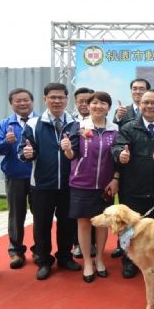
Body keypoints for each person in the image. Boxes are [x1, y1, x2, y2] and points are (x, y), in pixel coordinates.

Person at [18, 83, 82, 280]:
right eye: (52, 97)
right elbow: (23, 150)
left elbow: (79, 152)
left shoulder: (76, 124)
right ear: (45, 99)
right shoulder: (34, 124)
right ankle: (44, 260)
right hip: (42, 185)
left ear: (66, 99)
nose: (57, 101)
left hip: (69, 184)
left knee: (67, 223)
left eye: (61, 97)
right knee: (42, 225)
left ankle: (64, 256)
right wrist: (27, 153)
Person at [112, 89, 154, 278]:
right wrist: (120, 155)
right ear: (140, 105)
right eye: (146, 102)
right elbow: (117, 146)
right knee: (129, 229)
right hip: (132, 188)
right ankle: (130, 262)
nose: (149, 106)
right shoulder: (129, 127)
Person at [62, 91, 118, 283]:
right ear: (88, 106)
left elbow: (118, 158)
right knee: (84, 223)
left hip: (105, 185)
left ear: (108, 108)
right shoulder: (78, 127)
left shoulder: (115, 130)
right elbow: (71, 155)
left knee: (103, 223)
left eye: (103, 103)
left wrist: (115, 178)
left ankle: (100, 259)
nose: (98, 106)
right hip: (81, 183)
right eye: (94, 103)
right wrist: (68, 149)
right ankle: (87, 261)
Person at [0, 88, 37, 269]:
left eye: (26, 100)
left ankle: (40, 249)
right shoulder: (4, 124)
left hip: (39, 177)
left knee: (41, 216)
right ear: (11, 104)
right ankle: (16, 251)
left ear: (33, 101)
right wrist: (7, 142)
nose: (22, 103)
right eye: (18, 101)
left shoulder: (42, 122)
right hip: (15, 176)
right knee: (15, 216)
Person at [70, 86, 96, 259]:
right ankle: (76, 244)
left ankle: (92, 244)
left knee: (96, 214)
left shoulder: (101, 122)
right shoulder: (71, 123)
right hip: (75, 177)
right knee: (76, 214)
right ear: (76, 103)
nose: (85, 104)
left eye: (89, 101)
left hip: (96, 177)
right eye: (81, 101)